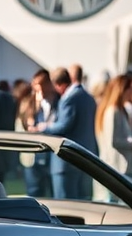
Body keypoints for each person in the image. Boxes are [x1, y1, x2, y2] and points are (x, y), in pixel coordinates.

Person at [37, 66, 98, 199]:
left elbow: (63, 126)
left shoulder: (69, 99)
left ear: (58, 85)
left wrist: (43, 127)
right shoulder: (89, 97)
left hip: (66, 161)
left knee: (65, 205)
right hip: (86, 158)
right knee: (85, 203)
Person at [93, 74, 132, 200]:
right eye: (131, 88)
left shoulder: (121, 110)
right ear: (122, 89)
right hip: (116, 168)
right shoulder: (112, 111)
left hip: (122, 167)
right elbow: (113, 141)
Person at [22, 69, 56, 197]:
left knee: (53, 195)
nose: (39, 89)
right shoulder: (29, 103)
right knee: (34, 194)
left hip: (50, 155)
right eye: (36, 86)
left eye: (41, 85)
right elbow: (24, 124)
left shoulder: (57, 102)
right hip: (32, 157)